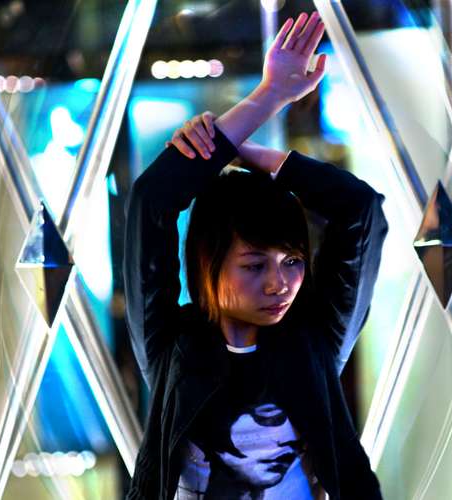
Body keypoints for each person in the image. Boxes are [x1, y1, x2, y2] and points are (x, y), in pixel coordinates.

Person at [123, 11, 388, 500]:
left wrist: (245, 152)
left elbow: (362, 212)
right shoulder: (173, 348)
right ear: (210, 263)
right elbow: (152, 202)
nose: (278, 284)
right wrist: (266, 98)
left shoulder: (314, 342)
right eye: (254, 265)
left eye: (292, 262)